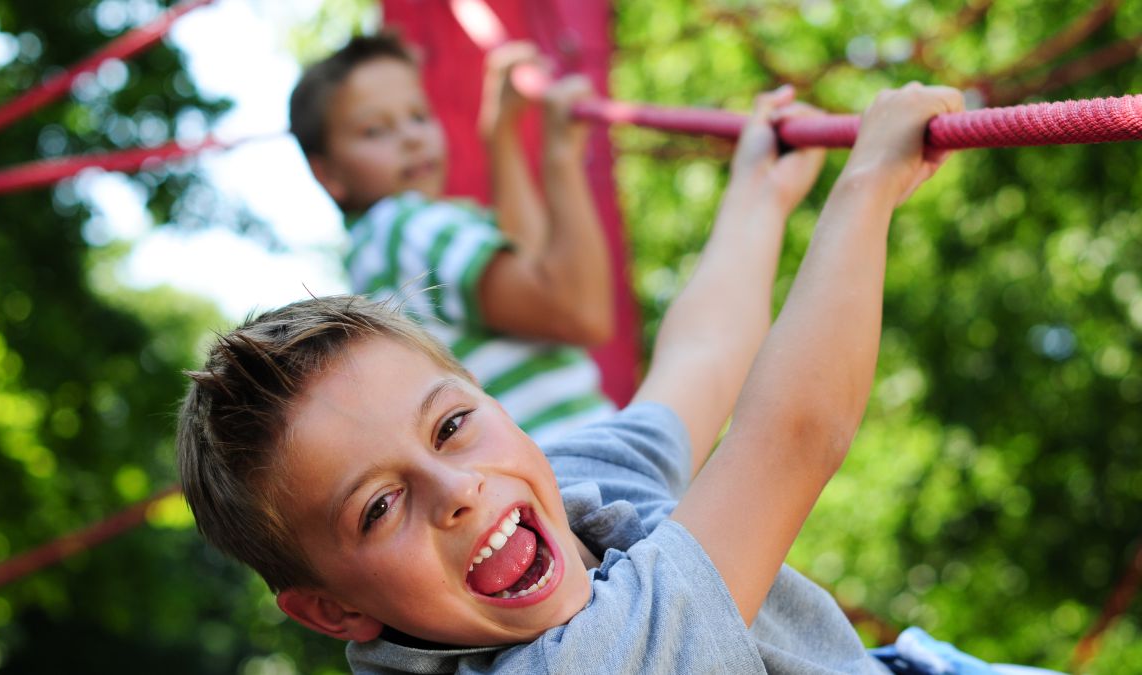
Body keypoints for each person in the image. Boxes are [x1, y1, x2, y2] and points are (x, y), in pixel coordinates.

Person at [180, 84, 1054, 673]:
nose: (455, 487)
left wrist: (761, 194)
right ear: (332, 611)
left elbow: (700, 363)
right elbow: (790, 440)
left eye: (450, 425)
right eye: (375, 507)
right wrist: (868, 183)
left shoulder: (566, 487)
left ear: (487, 400)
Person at [288, 34, 616, 445]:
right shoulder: (404, 226)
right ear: (328, 174)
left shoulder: (381, 251)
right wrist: (561, 157)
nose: (411, 137)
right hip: (577, 450)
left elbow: (529, 262)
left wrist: (502, 135)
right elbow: (579, 311)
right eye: (375, 130)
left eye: (419, 115)